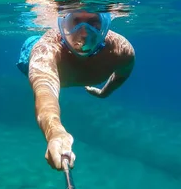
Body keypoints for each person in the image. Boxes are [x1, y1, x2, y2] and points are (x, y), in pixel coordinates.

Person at [17, 10, 135, 170]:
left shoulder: (121, 51)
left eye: (93, 23)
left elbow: (121, 75)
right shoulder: (46, 50)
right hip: (34, 53)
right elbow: (45, 92)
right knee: (33, 52)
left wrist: (104, 92)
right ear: (63, 24)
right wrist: (55, 133)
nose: (84, 33)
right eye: (75, 22)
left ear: (105, 25)